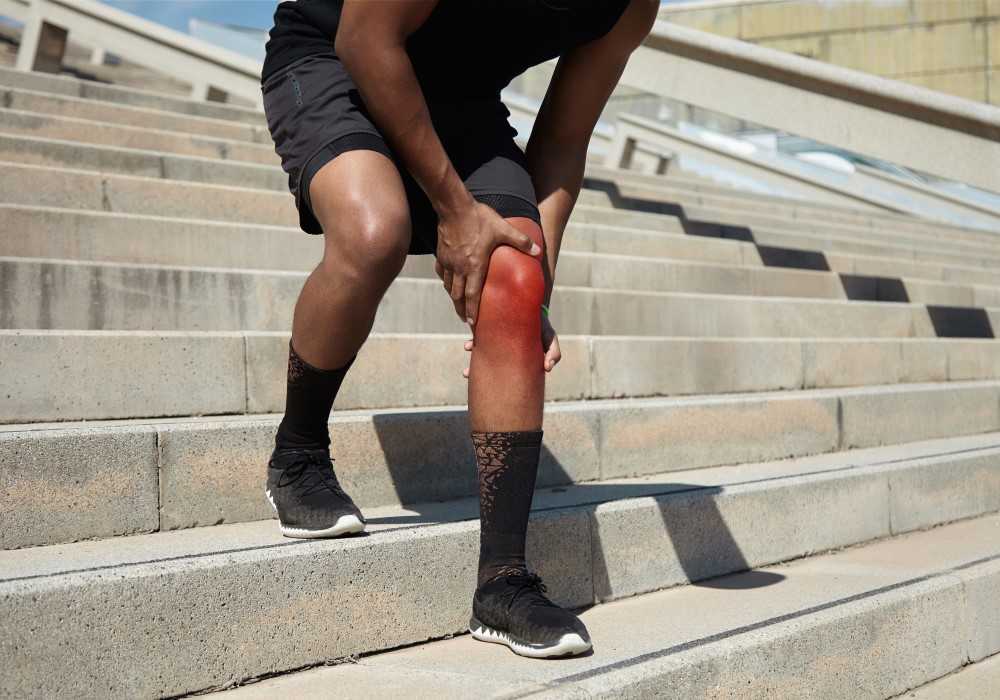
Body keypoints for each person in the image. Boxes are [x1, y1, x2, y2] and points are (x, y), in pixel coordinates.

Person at [260, 0, 657, 658]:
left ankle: (502, 583)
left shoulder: (631, 6)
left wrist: (536, 299)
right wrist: (453, 208)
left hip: (457, 99)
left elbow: (562, 140)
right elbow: (365, 39)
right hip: (335, 56)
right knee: (374, 233)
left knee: (518, 277)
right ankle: (297, 454)